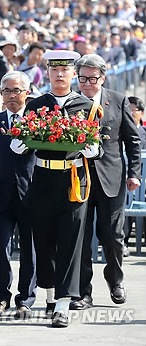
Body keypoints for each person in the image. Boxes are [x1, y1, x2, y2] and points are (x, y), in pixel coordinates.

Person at [11, 50, 95, 328]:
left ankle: (63, 304)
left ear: (73, 74)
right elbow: (23, 139)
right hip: (43, 178)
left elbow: (96, 145)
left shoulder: (86, 105)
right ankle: (49, 296)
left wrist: (92, 148)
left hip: (73, 181)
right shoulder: (37, 105)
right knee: (43, 242)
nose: (59, 75)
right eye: (54, 70)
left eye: (65, 70)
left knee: (70, 243)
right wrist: (20, 142)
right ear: (47, 73)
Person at [71, 54, 141, 310]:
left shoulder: (118, 100)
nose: (87, 83)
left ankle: (115, 280)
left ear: (103, 77)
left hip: (112, 178)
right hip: (77, 179)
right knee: (81, 236)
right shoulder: (70, 102)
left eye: (93, 78)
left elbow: (132, 141)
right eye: (82, 78)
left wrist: (135, 172)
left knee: (113, 236)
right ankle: (82, 292)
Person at [0, 71, 37, 319]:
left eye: (16, 90)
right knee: (0, 249)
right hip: (2, 199)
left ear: (27, 92)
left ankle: (25, 298)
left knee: (30, 249)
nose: (11, 95)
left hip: (32, 195)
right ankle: (1, 297)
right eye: (7, 91)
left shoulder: (39, 122)